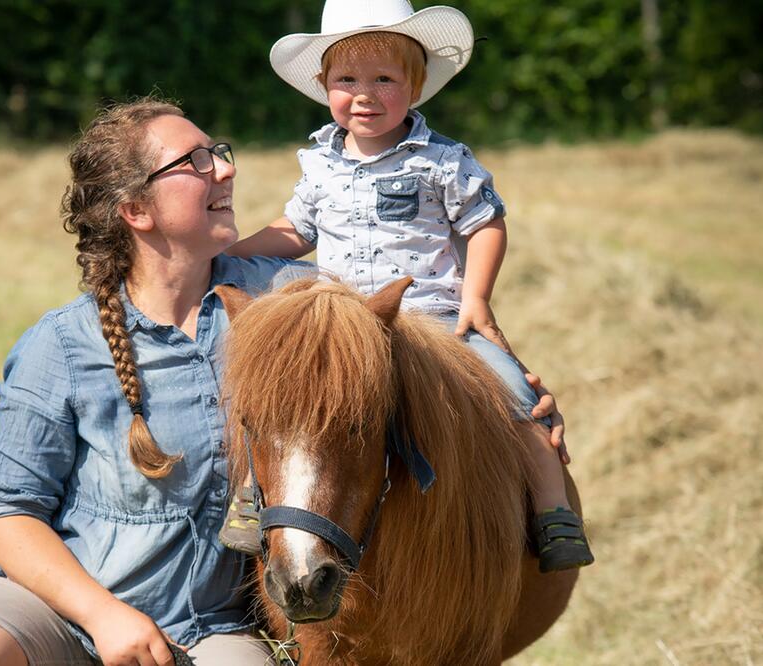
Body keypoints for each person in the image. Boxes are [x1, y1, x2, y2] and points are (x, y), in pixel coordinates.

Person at [0, 98, 312, 666]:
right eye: (195, 161)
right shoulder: (63, 344)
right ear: (136, 210)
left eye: (219, 154)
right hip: (58, 611)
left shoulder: (285, 305)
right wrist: (103, 615)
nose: (225, 169)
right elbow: (8, 513)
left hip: (209, 630)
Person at [222, 0, 594, 573]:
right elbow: (295, 231)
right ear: (324, 85)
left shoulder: (441, 160)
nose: (364, 94)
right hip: (343, 326)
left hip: (434, 317)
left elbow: (485, 223)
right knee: (282, 402)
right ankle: (253, 498)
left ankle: (552, 510)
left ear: (415, 87)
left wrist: (476, 298)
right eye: (347, 79)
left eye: (384, 79)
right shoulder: (320, 162)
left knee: (517, 395)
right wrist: (232, 251)